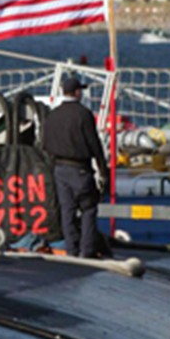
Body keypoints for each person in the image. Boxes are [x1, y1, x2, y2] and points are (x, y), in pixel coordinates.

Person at [41, 76, 110, 258]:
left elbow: (45, 144)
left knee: (67, 211)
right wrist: (103, 171)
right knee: (88, 208)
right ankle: (86, 251)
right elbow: (95, 145)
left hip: (59, 169)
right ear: (77, 92)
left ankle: (71, 251)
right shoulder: (83, 114)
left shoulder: (53, 115)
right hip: (80, 169)